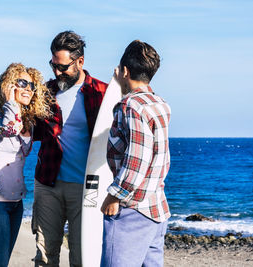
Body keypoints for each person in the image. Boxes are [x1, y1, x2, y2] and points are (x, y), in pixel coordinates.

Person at [31, 31, 108, 267]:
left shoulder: (102, 93)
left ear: (80, 62)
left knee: (82, 257)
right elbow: (29, 129)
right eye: (53, 65)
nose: (57, 72)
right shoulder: (45, 92)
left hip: (86, 190)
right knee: (45, 256)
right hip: (48, 184)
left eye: (63, 67)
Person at [0, 63, 52, 267]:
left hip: (15, 203)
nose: (28, 88)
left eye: (32, 85)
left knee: (2, 262)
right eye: (22, 83)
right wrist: (11, 103)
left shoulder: (29, 122)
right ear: (9, 85)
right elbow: (8, 129)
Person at [100, 40, 171, 267]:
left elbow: (136, 161)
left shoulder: (130, 106)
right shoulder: (160, 104)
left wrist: (114, 195)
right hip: (156, 207)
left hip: (132, 210)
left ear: (125, 71)